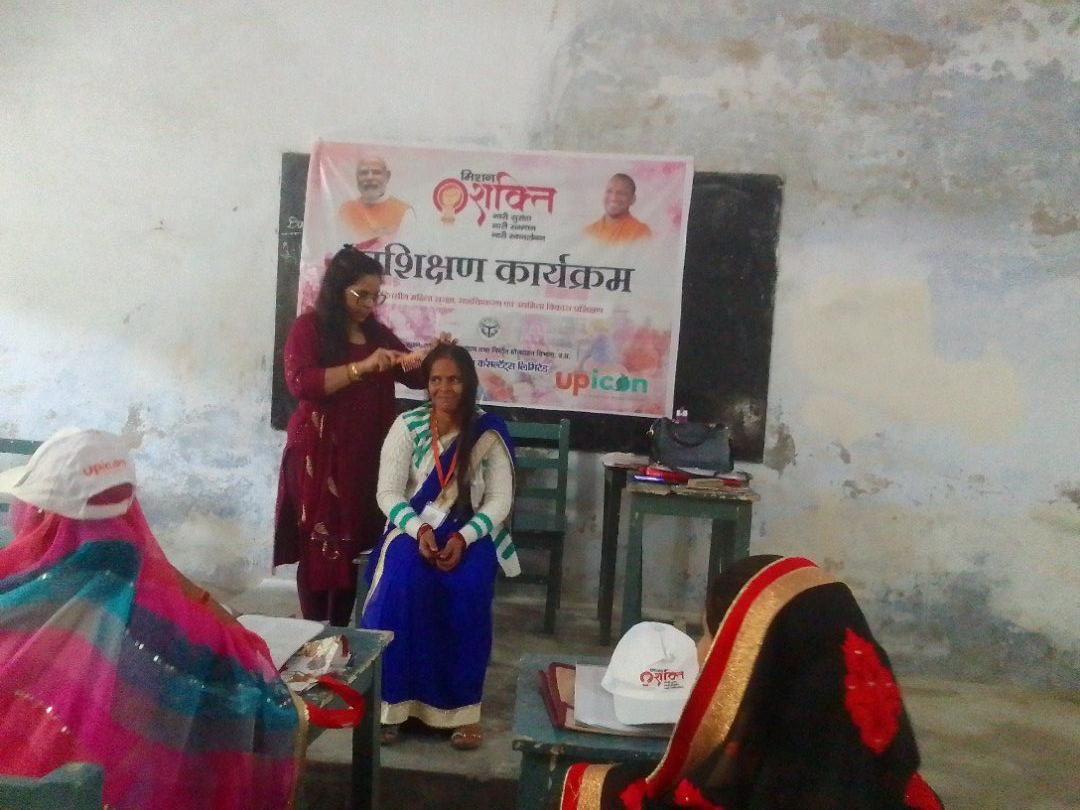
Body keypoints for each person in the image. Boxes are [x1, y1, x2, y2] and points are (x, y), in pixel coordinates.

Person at [0, 429, 301, 810]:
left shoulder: (14, 600)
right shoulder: (173, 623)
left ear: (41, 516)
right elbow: (254, 691)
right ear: (131, 510)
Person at [559, 555, 944, 809]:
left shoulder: (745, 789)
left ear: (757, 668)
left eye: (710, 635)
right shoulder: (903, 789)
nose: (700, 653)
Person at [360, 344, 520, 751]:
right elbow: (388, 493)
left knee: (467, 589)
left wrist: (464, 538)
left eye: (453, 380)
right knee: (402, 585)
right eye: (436, 380)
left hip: (471, 532)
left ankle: (462, 713)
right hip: (414, 529)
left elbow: (499, 500)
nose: (444, 388)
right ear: (426, 385)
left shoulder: (487, 431)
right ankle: (392, 708)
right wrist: (419, 531)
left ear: (468, 383)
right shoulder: (407, 425)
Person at [274, 244, 428, 626]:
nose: (369, 304)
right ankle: (312, 632)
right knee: (319, 547)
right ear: (337, 288)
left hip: (365, 457)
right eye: (361, 294)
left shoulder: (376, 333)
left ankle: (341, 633)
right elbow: (301, 382)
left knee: (354, 547)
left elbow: (413, 375)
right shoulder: (309, 329)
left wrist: (431, 356)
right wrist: (362, 368)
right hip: (318, 456)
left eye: (376, 296)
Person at [338, 155, 415, 250]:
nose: (369, 177)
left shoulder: (404, 212)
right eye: (364, 173)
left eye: (376, 172)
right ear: (357, 177)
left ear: (387, 176)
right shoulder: (346, 210)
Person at [583, 173, 653, 244]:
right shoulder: (589, 232)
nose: (613, 198)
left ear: (632, 199)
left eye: (621, 193)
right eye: (609, 191)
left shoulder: (641, 233)